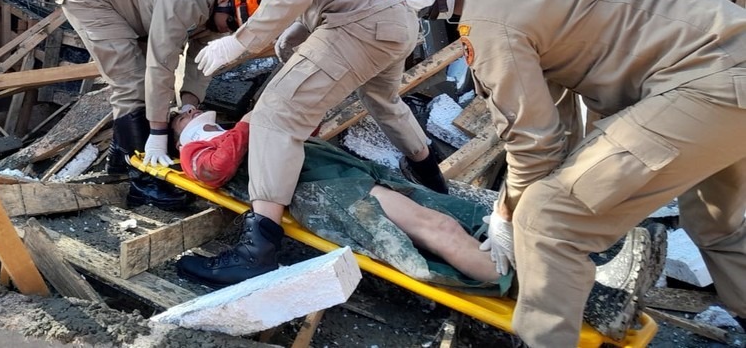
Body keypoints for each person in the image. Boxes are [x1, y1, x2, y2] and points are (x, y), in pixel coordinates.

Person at [360, 0, 746, 345]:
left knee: (549, 218)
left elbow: (533, 143)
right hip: (726, 76)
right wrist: (531, 194)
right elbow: (555, 126)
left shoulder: (488, 17)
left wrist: (508, 216)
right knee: (719, 226)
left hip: (707, 85)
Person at [175, 0, 450, 284]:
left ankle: (258, 248)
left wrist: (237, 42)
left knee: (274, 116)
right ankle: (433, 182)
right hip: (391, 18)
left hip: (356, 24)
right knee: (383, 101)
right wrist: (297, 33)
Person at [167, 107, 667, 339]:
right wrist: (261, 118)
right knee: (441, 233)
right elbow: (210, 171)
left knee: (465, 217)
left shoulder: (235, 127)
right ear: (182, 129)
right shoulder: (199, 146)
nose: (188, 107)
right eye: (181, 112)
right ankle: (578, 297)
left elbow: (302, 130)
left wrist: (276, 115)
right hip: (332, 193)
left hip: (350, 176)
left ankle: (584, 263)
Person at [58, 0, 267, 209]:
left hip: (132, 3)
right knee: (132, 84)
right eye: (232, 25)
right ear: (226, 1)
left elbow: (200, 61)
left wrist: (190, 101)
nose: (228, 30)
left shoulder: (216, 2)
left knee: (145, 86)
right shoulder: (184, 1)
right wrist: (157, 133)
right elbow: (161, 64)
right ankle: (144, 184)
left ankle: (119, 159)